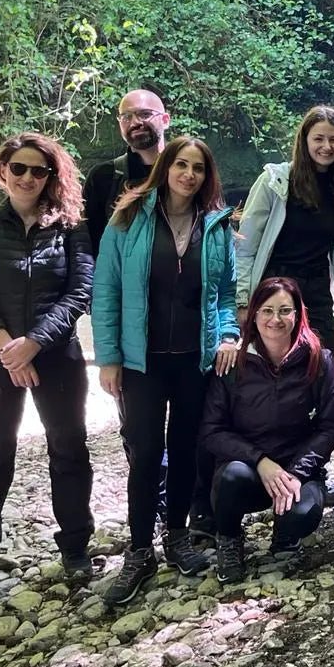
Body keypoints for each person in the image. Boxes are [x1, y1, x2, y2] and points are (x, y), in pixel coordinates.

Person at [92, 136, 240, 604]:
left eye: (198, 167)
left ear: (206, 176)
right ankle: (139, 551)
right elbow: (107, 292)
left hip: (195, 362)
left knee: (186, 450)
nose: (188, 174)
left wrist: (229, 337)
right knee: (144, 452)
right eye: (181, 165)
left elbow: (226, 297)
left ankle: (175, 535)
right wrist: (109, 357)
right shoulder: (128, 218)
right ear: (166, 168)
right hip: (142, 361)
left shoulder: (215, 227)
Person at [0, 133, 95, 598]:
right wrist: (7, 349)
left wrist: (33, 343)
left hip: (56, 355)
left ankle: (75, 548)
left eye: (40, 170)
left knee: (70, 450)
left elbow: (80, 293)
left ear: (52, 177)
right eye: (20, 168)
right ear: (2, 171)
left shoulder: (71, 227)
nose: (29, 178)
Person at [201, 277, 334, 583]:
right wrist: (259, 461)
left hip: (297, 468)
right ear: (253, 314)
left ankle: (285, 531)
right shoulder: (233, 362)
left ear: (298, 315)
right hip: (249, 469)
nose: (275, 320)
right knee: (230, 478)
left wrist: (297, 472)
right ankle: (228, 539)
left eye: (285, 311)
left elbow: (331, 425)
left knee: (302, 515)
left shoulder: (319, 359)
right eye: (267, 310)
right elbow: (212, 431)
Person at [235, 105, 334, 359]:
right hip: (275, 289)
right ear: (305, 141)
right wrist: (243, 301)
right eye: (319, 138)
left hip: (317, 290)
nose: (327, 146)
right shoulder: (275, 182)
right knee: (276, 366)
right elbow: (245, 247)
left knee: (326, 361)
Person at [84, 88, 170, 254]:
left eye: (144, 114)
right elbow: (87, 242)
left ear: (165, 120)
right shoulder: (103, 176)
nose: (135, 122)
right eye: (126, 117)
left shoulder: (185, 173)